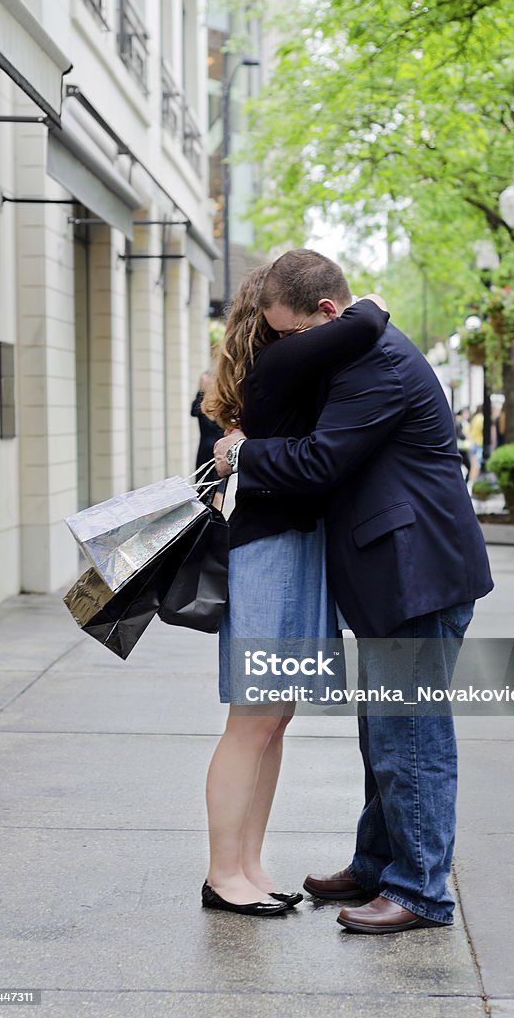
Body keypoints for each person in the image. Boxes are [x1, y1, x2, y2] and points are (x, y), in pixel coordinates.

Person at [214, 248, 493, 935]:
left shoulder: (379, 367)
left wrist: (242, 453)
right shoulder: (359, 349)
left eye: (288, 334)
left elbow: (320, 460)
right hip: (394, 573)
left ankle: (420, 892)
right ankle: (376, 865)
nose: (285, 346)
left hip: (415, 574)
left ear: (327, 315)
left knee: (412, 738)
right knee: (384, 734)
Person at [200, 262, 390, 917]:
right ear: (275, 315)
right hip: (270, 554)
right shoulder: (280, 364)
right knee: (253, 720)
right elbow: (368, 318)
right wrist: (361, 298)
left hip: (296, 552)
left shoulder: (283, 364)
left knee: (275, 719)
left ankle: (249, 866)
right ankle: (223, 874)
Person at [191, 371, 224, 470]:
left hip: (218, 445)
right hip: (205, 446)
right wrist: (201, 392)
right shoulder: (200, 401)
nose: (202, 384)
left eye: (203, 382)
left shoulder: (218, 399)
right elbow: (193, 412)